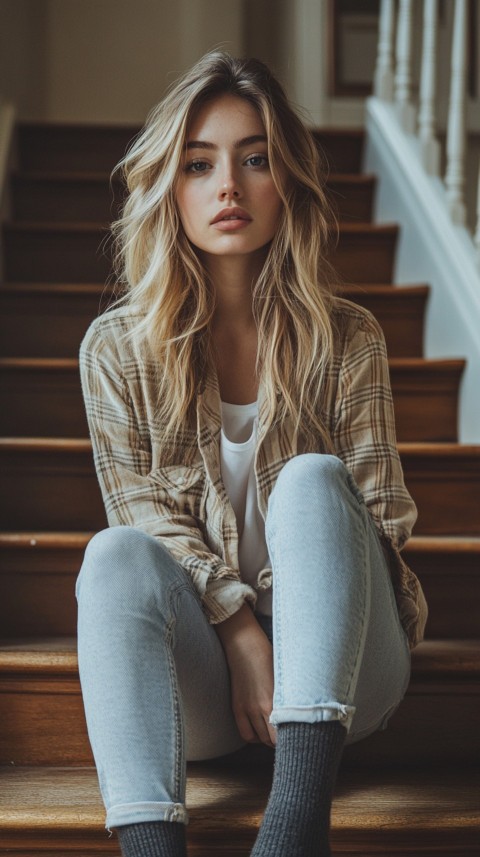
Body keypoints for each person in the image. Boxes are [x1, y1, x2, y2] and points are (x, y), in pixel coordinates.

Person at [76, 51, 428, 857]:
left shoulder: (349, 339)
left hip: (350, 671)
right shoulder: (115, 352)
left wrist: (288, 627)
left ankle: (295, 830)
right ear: (171, 187)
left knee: (311, 479)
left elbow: (383, 520)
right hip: (204, 674)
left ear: (288, 182)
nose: (228, 185)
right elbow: (140, 512)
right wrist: (238, 627)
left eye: (256, 158)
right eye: (199, 164)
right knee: (113, 557)